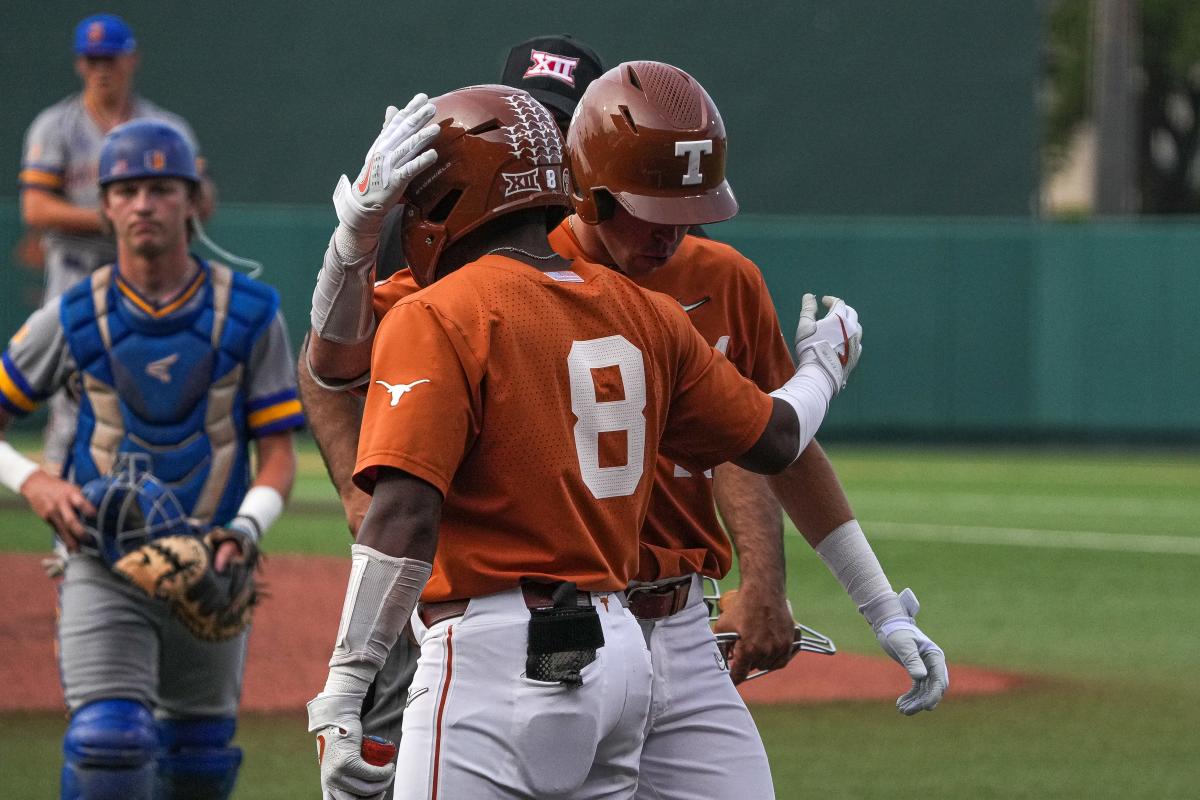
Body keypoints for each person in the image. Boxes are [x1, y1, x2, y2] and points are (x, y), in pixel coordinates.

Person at [305, 58, 946, 799]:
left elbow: (771, 447)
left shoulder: (460, 300)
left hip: (592, 632)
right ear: (586, 189)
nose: (675, 233)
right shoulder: (630, 311)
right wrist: (824, 372)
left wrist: (875, 607)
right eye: (655, 207)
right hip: (596, 638)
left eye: (690, 207)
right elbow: (775, 431)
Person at [0, 119, 301, 799]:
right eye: (128, 189)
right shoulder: (74, 315)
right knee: (109, 743)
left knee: (198, 758)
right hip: (101, 562)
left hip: (212, 568)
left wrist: (245, 531)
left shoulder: (251, 314)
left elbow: (278, 456)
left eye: (162, 188)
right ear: (104, 205)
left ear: (193, 199)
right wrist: (35, 480)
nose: (144, 204)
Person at [19, 12, 216, 472]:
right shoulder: (56, 126)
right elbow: (36, 209)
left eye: (108, 58)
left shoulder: (165, 127)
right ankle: (64, 511)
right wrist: (118, 219)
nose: (100, 69)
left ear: (131, 60)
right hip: (74, 271)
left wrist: (189, 196)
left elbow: (200, 199)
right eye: (90, 60)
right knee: (71, 393)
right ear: (79, 65)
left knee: (155, 385)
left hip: (149, 276)